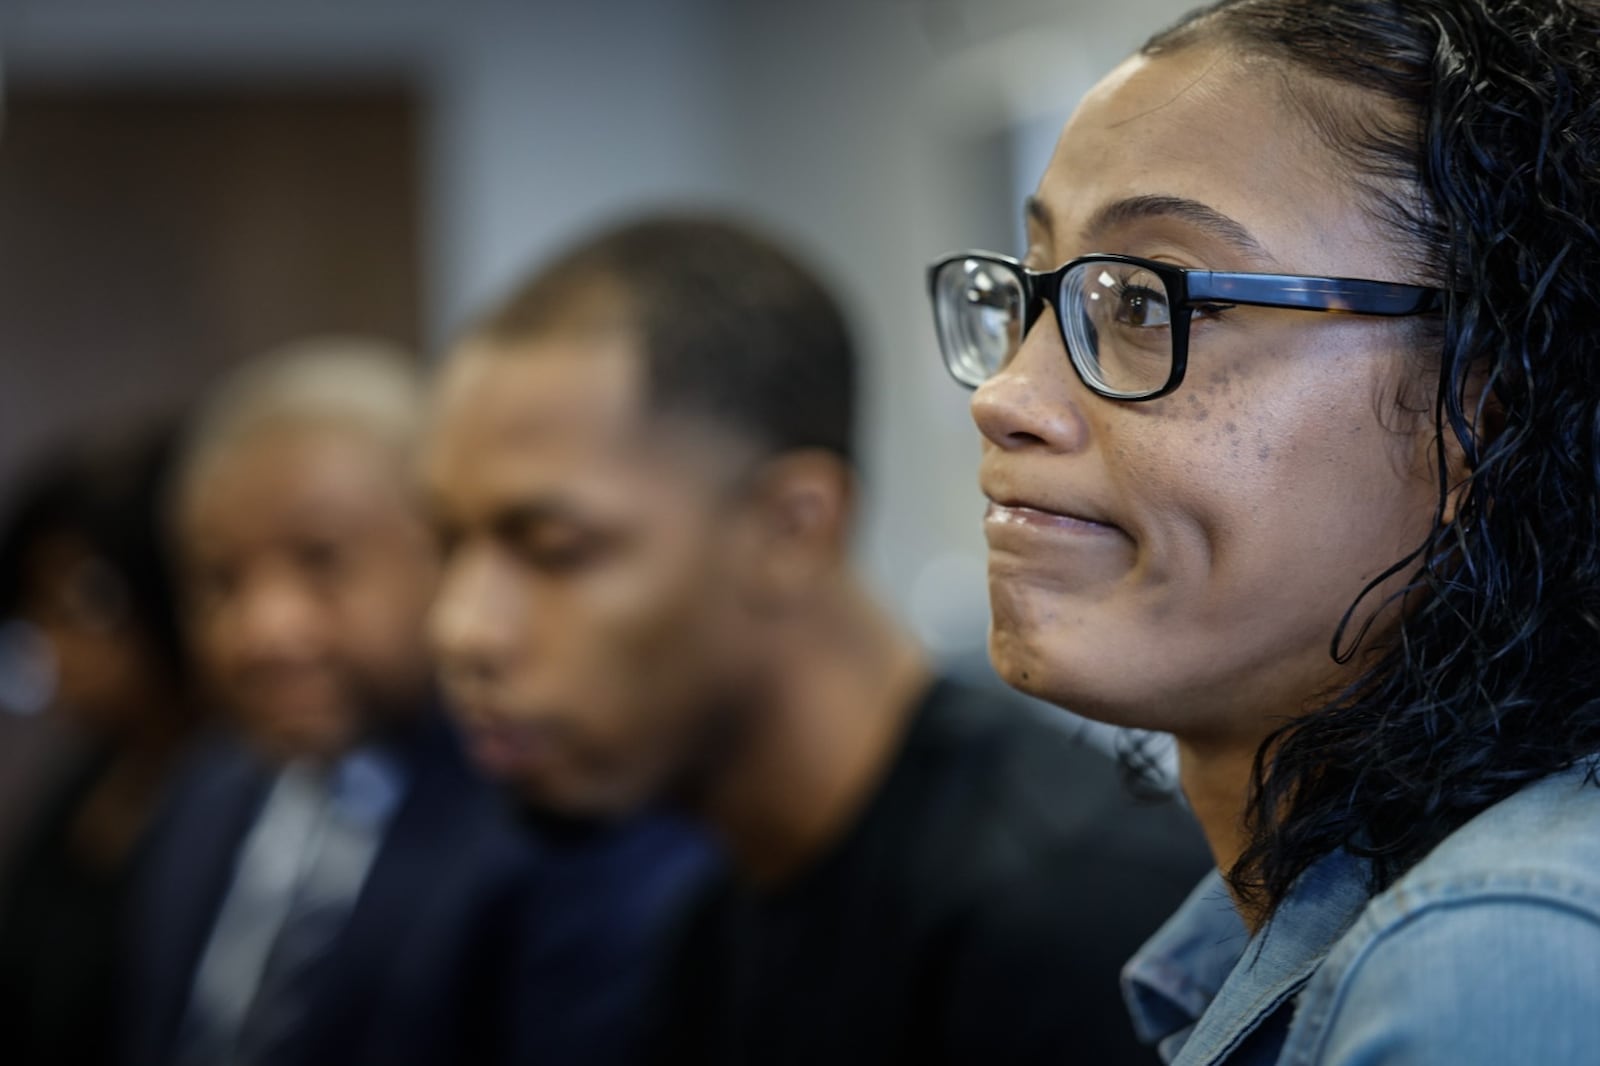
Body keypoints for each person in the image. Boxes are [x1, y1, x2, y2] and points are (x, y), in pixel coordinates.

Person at [926, 0, 1600, 1062]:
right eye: (1038, 288)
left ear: (1485, 411)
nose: (1007, 394)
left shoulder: (1492, 960)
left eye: (1150, 303)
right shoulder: (1275, 930)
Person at [424, 215, 1212, 1065]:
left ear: (791, 529)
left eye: (554, 551)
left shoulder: (1065, 915)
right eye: (448, 548)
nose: (462, 628)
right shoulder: (712, 927)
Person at [123, 338, 692, 1066]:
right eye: (220, 580)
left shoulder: (558, 819)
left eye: (320, 560)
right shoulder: (202, 793)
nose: (263, 630)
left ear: (443, 552)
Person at [0, 424, 199, 1066]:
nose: (55, 648)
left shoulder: (236, 792)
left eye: (80, 608)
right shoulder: (86, 777)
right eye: (39, 613)